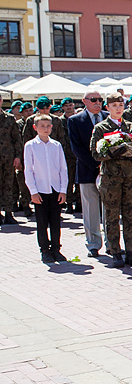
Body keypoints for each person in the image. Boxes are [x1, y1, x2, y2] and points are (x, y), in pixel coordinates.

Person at [90, 92, 132, 268]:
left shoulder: (130, 126)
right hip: (111, 178)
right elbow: (95, 153)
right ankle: (115, 252)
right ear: (108, 108)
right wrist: (110, 152)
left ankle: (130, 251)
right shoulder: (101, 128)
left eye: (120, 106)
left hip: (130, 177)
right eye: (114, 106)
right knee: (112, 216)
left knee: (129, 215)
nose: (118, 109)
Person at [23, 114, 67, 263]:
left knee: (55, 221)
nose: (46, 129)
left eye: (48, 126)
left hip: (55, 188)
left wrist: (63, 189)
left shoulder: (56, 145)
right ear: (35, 127)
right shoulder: (30, 146)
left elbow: (63, 169)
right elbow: (28, 170)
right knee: (42, 222)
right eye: (42, 126)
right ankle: (45, 250)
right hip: (40, 189)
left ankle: (56, 248)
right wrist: (33, 191)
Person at [67, 91, 106, 256]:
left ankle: (112, 243)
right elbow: (76, 148)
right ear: (84, 101)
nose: (97, 103)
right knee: (90, 209)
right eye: (93, 100)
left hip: (109, 172)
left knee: (109, 209)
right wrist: (95, 164)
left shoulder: (108, 117)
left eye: (100, 100)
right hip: (86, 169)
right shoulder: (75, 120)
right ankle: (93, 244)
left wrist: (105, 164)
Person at [0, 94, 22, 226]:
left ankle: (8, 213)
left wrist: (18, 156)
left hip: (8, 157)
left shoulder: (9, 119)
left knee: (9, 184)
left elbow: (16, 139)